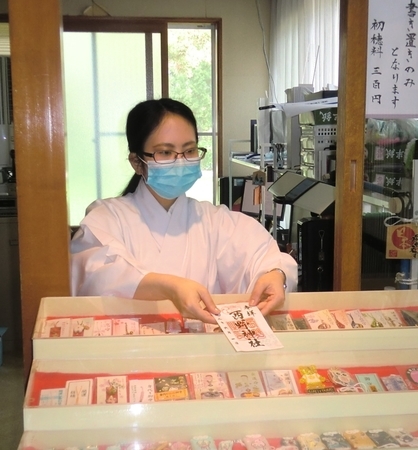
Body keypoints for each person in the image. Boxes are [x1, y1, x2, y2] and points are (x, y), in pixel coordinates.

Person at [70, 98, 298, 324]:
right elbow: (97, 273)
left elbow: (264, 255)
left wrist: (275, 274)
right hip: (132, 353)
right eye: (165, 153)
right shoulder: (107, 217)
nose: (180, 162)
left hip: (203, 352)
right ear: (137, 162)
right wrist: (169, 288)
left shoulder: (213, 220)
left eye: (189, 151)